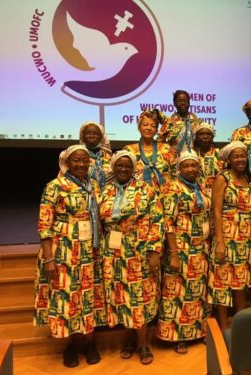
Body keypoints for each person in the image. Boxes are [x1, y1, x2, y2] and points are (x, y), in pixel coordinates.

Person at [35, 145, 105, 368]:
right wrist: (49, 258)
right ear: (67, 162)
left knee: (88, 296)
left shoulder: (93, 185)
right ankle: (70, 347)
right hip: (63, 249)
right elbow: (44, 225)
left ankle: (89, 343)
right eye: (77, 160)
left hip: (89, 250)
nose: (82, 164)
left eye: (85, 160)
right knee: (66, 298)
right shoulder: (55, 186)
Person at [98, 150, 164, 365]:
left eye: (128, 166)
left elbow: (157, 220)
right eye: (120, 166)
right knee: (122, 299)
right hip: (114, 253)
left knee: (140, 299)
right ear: (113, 168)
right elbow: (99, 222)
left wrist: (155, 251)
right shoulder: (104, 191)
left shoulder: (146, 190)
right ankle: (129, 339)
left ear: (134, 168)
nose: (123, 169)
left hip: (140, 251)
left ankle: (143, 344)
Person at [157, 151, 211, 354]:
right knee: (177, 292)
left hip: (200, 247)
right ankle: (177, 336)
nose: (191, 169)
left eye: (194, 166)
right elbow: (168, 223)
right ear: (178, 168)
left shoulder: (201, 186)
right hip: (180, 247)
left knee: (196, 292)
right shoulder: (172, 188)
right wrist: (173, 253)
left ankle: (197, 331)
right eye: (186, 166)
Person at [208, 141, 251, 331]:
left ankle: (239, 327)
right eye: (236, 156)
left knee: (240, 284)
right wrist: (219, 241)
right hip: (227, 237)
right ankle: (222, 329)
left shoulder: (249, 178)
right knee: (222, 283)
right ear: (228, 159)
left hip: (245, 240)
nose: (240, 159)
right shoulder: (223, 178)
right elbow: (217, 211)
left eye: (243, 155)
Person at [124, 109, 175, 191]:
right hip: (139, 197)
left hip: (165, 196)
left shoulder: (166, 149)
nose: (149, 128)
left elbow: (175, 174)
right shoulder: (129, 150)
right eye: (145, 124)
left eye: (153, 126)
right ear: (139, 127)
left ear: (156, 130)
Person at [158, 90, 201, 154]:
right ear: (174, 103)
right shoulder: (168, 122)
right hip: (174, 158)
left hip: (192, 159)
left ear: (189, 103)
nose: (183, 103)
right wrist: (169, 149)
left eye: (185, 101)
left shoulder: (197, 122)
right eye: (179, 101)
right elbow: (159, 142)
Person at [77, 121, 112, 189]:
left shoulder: (109, 156)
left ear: (101, 137)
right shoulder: (75, 155)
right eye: (87, 133)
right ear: (82, 136)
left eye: (95, 133)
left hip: (106, 195)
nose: (91, 136)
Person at [193, 122, 223, 197]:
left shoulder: (220, 154)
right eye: (201, 134)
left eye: (208, 134)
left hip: (218, 194)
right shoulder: (191, 154)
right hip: (196, 195)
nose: (205, 136)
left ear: (213, 137)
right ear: (196, 137)